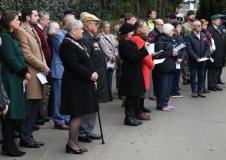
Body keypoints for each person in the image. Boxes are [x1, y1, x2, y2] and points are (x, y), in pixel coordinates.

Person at [60, 20, 99, 154]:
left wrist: (93, 73)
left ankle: (74, 142)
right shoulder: (67, 44)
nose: (83, 31)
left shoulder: (76, 42)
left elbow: (86, 60)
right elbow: (74, 66)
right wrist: (90, 75)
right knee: (76, 113)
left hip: (82, 83)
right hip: (74, 84)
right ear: (73, 30)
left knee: (80, 113)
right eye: (80, 29)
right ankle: (71, 144)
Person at [15, 7, 50, 148]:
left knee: (35, 106)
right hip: (31, 73)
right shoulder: (21, 31)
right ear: (27, 17)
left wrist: (44, 66)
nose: (38, 17)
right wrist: (43, 66)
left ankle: (28, 135)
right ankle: (25, 137)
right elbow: (27, 55)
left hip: (39, 73)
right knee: (29, 108)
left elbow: (40, 51)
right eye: (35, 15)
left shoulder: (33, 30)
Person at [0, 10, 31, 156]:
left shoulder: (11, 36)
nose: (19, 21)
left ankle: (9, 145)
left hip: (15, 78)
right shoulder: (5, 37)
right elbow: (10, 59)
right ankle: (9, 146)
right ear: (9, 21)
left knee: (13, 115)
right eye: (17, 19)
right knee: (9, 114)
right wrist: (24, 72)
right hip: (10, 78)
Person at [79, 13, 108, 142]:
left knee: (93, 104)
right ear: (86, 24)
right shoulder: (85, 38)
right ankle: (83, 132)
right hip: (91, 76)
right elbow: (87, 60)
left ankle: (88, 130)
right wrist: (91, 76)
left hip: (97, 75)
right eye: (94, 23)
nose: (97, 25)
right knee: (88, 105)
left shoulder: (92, 37)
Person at [119, 23, 149, 126]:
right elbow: (134, 58)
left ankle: (135, 114)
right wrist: (145, 50)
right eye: (131, 31)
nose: (133, 33)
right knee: (131, 96)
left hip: (134, 72)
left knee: (135, 94)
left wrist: (142, 49)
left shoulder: (129, 42)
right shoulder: (124, 44)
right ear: (127, 33)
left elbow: (135, 54)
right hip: (130, 74)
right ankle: (129, 117)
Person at [51, 15, 75, 130]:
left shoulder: (68, 35)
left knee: (66, 96)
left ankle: (66, 118)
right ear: (65, 24)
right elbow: (63, 53)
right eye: (71, 22)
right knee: (58, 97)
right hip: (59, 70)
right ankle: (58, 120)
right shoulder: (58, 36)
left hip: (66, 70)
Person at [131, 20, 155, 120]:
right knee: (140, 90)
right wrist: (151, 64)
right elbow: (143, 56)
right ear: (139, 29)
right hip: (143, 67)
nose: (148, 28)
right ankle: (138, 111)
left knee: (142, 90)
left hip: (144, 67)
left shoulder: (140, 38)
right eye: (145, 26)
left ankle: (141, 108)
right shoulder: (138, 39)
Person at [34, 11, 51, 126]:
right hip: (40, 65)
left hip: (44, 64)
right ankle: (38, 116)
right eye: (47, 19)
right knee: (39, 93)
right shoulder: (38, 30)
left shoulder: (41, 30)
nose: (49, 21)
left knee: (42, 92)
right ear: (42, 20)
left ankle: (40, 115)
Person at [155, 23, 177, 111]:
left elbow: (172, 51)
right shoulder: (160, 39)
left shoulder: (171, 38)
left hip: (171, 65)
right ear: (167, 31)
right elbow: (158, 54)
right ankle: (161, 104)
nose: (173, 32)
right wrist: (171, 53)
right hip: (163, 66)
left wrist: (176, 53)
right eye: (172, 30)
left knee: (168, 87)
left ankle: (165, 103)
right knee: (163, 86)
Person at [186, 20, 209, 98]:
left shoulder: (203, 35)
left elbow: (207, 47)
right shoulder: (189, 36)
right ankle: (194, 91)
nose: (200, 27)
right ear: (194, 27)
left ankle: (200, 91)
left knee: (201, 76)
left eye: (200, 25)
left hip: (203, 60)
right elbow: (189, 49)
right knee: (193, 76)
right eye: (198, 26)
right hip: (193, 60)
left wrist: (205, 56)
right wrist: (196, 58)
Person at [98, 21, 119, 99]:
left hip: (113, 60)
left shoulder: (111, 36)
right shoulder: (100, 37)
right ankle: (104, 94)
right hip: (106, 60)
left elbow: (116, 46)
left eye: (109, 27)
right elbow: (104, 49)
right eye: (106, 27)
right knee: (104, 78)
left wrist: (116, 55)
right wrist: (111, 56)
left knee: (110, 77)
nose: (108, 29)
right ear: (103, 28)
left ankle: (109, 94)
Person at [147, 19, 164, 101]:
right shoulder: (152, 33)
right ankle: (152, 94)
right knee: (154, 77)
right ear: (156, 25)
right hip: (154, 57)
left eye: (163, 25)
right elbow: (149, 44)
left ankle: (158, 93)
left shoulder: (161, 33)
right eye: (161, 25)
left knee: (158, 77)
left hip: (160, 56)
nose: (162, 26)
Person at [208, 14, 225, 91]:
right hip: (214, 53)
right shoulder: (210, 30)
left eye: (219, 20)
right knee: (212, 70)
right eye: (217, 20)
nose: (219, 21)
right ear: (213, 21)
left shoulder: (220, 29)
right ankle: (211, 85)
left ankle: (215, 84)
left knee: (218, 69)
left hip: (221, 52)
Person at [171, 22, 186, 98]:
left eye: (180, 27)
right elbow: (174, 49)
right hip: (174, 60)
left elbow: (183, 49)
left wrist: (181, 58)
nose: (180, 29)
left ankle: (176, 90)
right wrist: (177, 58)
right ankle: (172, 91)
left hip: (180, 60)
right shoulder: (172, 37)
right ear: (174, 28)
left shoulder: (181, 36)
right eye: (178, 27)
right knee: (173, 76)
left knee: (178, 76)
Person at [201, 19, 216, 93]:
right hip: (204, 53)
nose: (206, 26)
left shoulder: (207, 31)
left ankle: (203, 87)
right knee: (202, 72)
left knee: (204, 71)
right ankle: (201, 87)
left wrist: (212, 47)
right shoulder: (201, 32)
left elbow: (211, 40)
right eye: (204, 25)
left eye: (206, 24)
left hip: (208, 53)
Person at [182, 10, 196, 85]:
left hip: (195, 46)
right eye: (191, 15)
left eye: (194, 15)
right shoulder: (184, 26)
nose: (193, 16)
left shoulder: (196, 24)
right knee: (185, 63)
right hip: (186, 46)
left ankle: (191, 77)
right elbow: (181, 37)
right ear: (188, 17)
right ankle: (185, 78)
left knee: (193, 62)